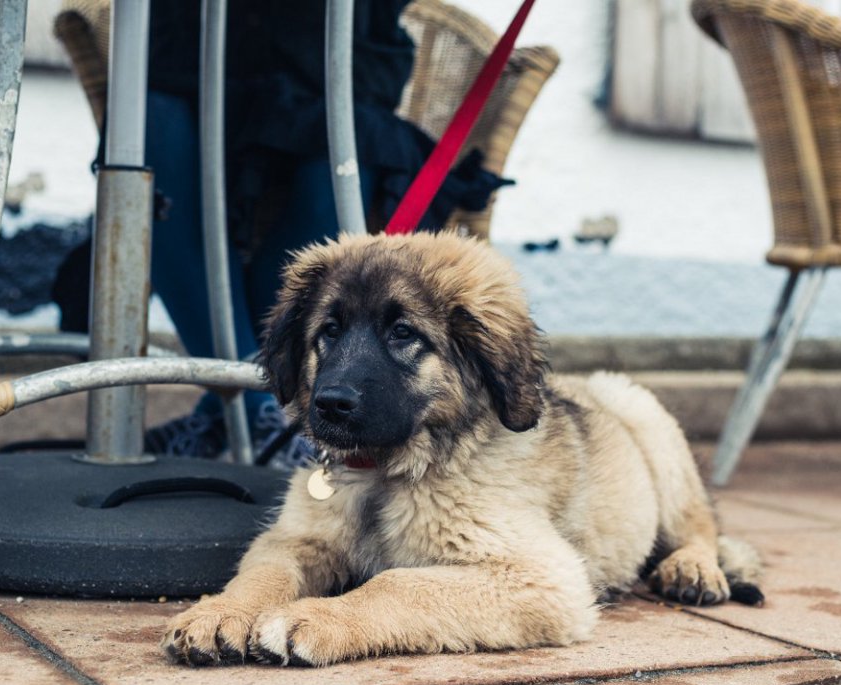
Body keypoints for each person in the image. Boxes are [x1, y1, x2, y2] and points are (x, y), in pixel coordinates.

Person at [52, 0, 508, 466]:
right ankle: (264, 413)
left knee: (333, 140)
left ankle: (233, 411)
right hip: (193, 60)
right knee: (148, 126)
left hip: (332, 58)